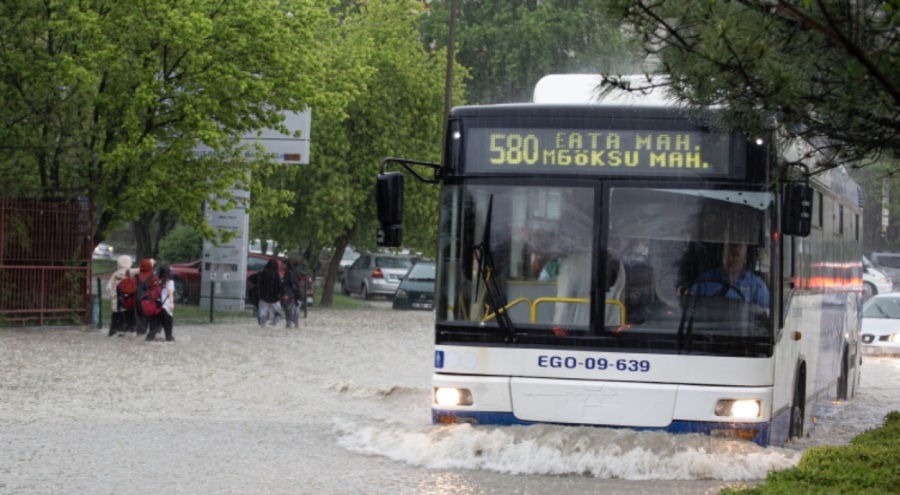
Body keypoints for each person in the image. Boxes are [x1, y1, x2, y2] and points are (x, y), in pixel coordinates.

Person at [687, 243, 769, 308]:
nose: (729, 259)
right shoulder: (706, 280)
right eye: (727, 254)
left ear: (745, 258)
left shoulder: (756, 286)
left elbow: (766, 314)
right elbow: (688, 301)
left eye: (735, 255)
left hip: (742, 328)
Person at [105, 254, 134, 336]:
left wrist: (111, 293)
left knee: (115, 315)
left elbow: (109, 286)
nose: (131, 263)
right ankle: (122, 331)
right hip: (124, 299)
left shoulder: (116, 273)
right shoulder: (129, 272)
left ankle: (113, 331)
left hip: (116, 299)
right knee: (124, 315)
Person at [248, 258, 283, 327]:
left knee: (262, 312)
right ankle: (274, 323)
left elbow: (251, 278)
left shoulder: (262, 274)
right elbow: (280, 286)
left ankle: (262, 325)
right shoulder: (276, 275)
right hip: (274, 298)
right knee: (278, 313)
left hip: (263, 297)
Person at [146, 265, 175, 342]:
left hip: (157, 308)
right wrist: (172, 303)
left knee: (152, 333)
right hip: (166, 309)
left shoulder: (156, 282)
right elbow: (170, 293)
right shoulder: (170, 282)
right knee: (169, 336)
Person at [133, 258, 158, 336]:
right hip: (149, 302)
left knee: (139, 321)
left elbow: (133, 288)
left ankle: (140, 335)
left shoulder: (136, 276)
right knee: (150, 320)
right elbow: (156, 290)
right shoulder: (154, 277)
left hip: (137, 301)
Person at [282, 260, 302, 329]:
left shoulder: (289, 273)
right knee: (295, 311)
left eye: (283, 264)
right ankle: (295, 324)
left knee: (289, 309)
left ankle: (290, 324)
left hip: (291, 294)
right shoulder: (295, 272)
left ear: (286, 265)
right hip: (297, 294)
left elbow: (290, 284)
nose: (282, 266)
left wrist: (287, 293)